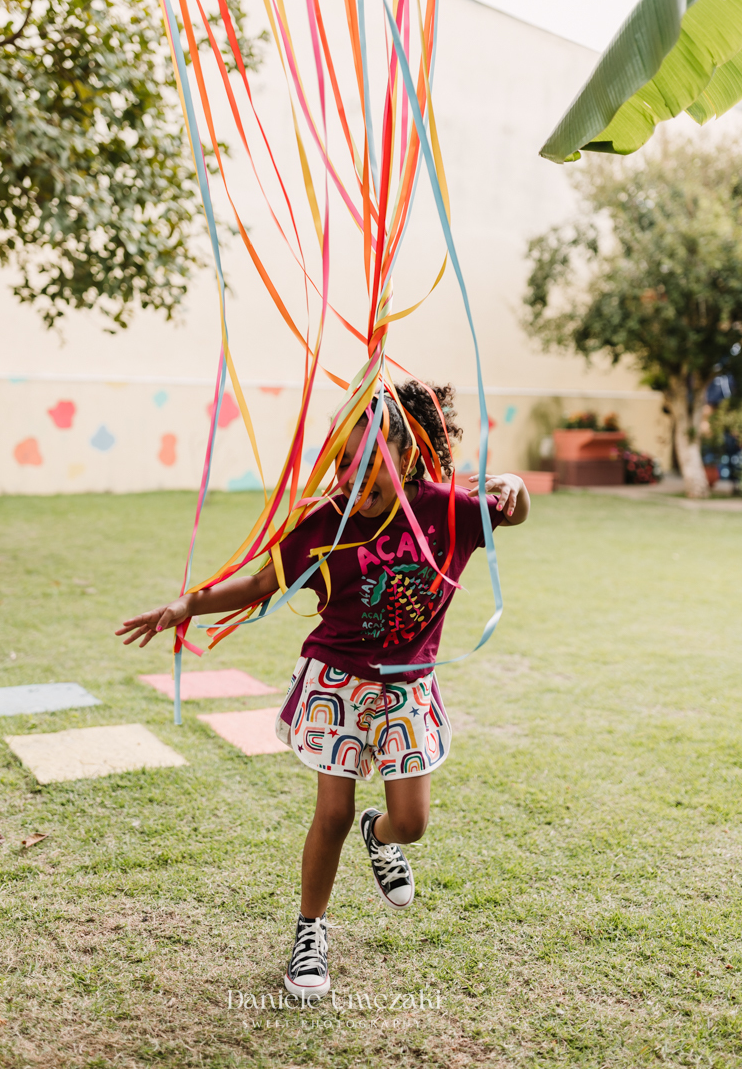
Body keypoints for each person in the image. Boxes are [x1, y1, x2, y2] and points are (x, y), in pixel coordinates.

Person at [117, 382, 529, 999]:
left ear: (407, 458)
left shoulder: (448, 511)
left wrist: (516, 490)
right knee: (330, 814)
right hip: (335, 684)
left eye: (370, 465)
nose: (353, 480)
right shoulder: (322, 524)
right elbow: (259, 584)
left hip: (407, 690)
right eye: (343, 463)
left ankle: (380, 836)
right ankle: (311, 932)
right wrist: (186, 605)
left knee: (411, 823)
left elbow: (511, 514)